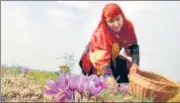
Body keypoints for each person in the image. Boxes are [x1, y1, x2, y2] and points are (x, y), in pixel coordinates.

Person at [79, 3, 140, 87]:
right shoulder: (101, 33)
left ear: (122, 16)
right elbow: (101, 61)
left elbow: (133, 46)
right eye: (111, 21)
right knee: (105, 84)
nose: (116, 24)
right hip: (93, 60)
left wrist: (135, 64)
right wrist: (108, 77)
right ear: (106, 22)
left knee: (130, 73)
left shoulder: (128, 26)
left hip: (111, 56)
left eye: (118, 19)